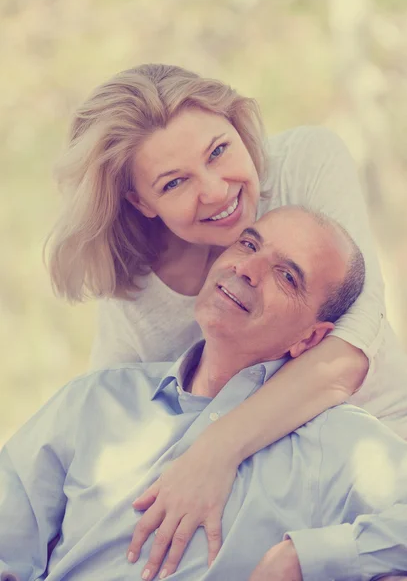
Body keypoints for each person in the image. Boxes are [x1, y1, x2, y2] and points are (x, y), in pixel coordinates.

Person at [45, 63, 407, 571]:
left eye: (219, 150)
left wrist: (216, 451)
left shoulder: (305, 162)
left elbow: (351, 343)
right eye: (174, 183)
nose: (216, 191)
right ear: (139, 201)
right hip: (251, 495)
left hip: (377, 459)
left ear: (238, 125)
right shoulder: (138, 292)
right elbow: (98, 432)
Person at [4, 208, 407, 581]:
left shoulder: (336, 446)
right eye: (248, 244)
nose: (247, 269)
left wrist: (303, 559)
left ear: (311, 338)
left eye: (286, 276)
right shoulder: (96, 399)